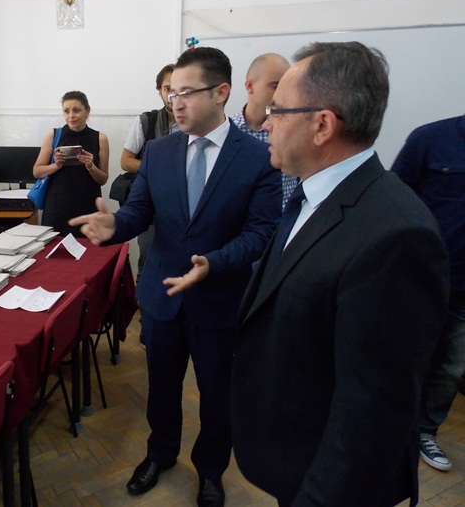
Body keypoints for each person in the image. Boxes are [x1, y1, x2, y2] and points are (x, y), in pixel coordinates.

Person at [231, 42, 450, 507]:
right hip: (290, 450)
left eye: (277, 111)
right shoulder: (315, 193)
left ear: (322, 125)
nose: (266, 124)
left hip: (321, 476)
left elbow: (371, 414)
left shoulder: (396, 236)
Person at [70, 47, 281, 507]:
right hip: (163, 296)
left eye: (186, 93)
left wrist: (215, 262)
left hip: (219, 301)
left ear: (221, 92)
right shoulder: (160, 151)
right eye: (171, 94)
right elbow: (140, 211)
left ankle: (211, 471)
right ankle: (160, 454)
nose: (175, 103)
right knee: (162, 390)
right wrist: (115, 225)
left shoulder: (258, 157)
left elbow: (262, 232)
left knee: (216, 397)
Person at [391, 113, 465, 472]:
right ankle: (385, 425)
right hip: (421, 276)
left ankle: (425, 431)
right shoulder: (432, 138)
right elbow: (393, 198)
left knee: (452, 365)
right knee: (402, 355)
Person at [119, 63, 178, 346]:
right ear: (159, 91)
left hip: (186, 210)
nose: (173, 95)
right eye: (167, 89)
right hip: (152, 208)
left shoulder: (199, 121)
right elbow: (126, 160)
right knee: (148, 262)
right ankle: (147, 322)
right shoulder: (147, 121)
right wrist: (160, 167)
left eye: (180, 89)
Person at [33, 91, 109, 237]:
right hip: (57, 206)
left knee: (88, 248)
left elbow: (103, 179)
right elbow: (37, 171)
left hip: (87, 207)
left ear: (87, 111)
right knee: (54, 248)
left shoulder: (100, 138)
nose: (71, 116)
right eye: (66, 111)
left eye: (76, 110)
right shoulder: (54, 135)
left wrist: (90, 166)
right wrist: (56, 165)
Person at [230, 53, 298, 209]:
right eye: (275, 86)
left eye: (285, 87)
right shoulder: (228, 132)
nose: (281, 94)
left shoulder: (292, 131)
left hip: (287, 219)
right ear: (250, 86)